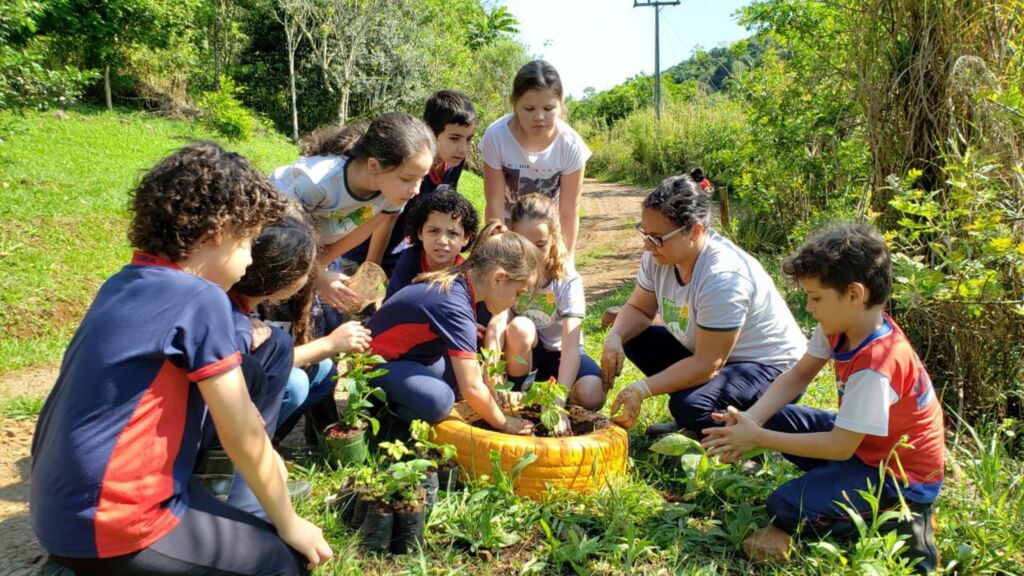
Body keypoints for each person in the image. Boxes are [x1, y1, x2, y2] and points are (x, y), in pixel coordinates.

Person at [30, 142, 331, 575]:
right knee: (284, 562)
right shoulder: (199, 298)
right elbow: (242, 431)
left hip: (57, 511)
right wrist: (290, 523)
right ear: (218, 232)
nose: (249, 262)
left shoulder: (124, 280)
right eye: (247, 243)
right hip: (114, 525)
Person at [700, 224, 944, 573]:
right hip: (864, 446)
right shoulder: (840, 326)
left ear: (854, 294)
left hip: (898, 476)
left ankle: (904, 519)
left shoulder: (876, 365)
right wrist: (751, 419)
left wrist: (757, 438)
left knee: (783, 505)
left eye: (815, 298)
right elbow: (799, 374)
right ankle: (836, 484)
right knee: (782, 418)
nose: (809, 307)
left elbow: (840, 447)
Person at [602, 171, 806, 437]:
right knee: (634, 338)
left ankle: (757, 433)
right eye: (645, 233)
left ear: (694, 231)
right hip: (717, 356)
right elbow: (640, 309)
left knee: (689, 404)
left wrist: (642, 388)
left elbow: (709, 364)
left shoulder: (723, 276)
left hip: (771, 369)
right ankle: (702, 420)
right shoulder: (658, 257)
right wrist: (614, 337)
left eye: (657, 238)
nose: (647, 245)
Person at [366, 221, 540, 433]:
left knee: (456, 379)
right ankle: (390, 425)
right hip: (371, 367)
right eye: (518, 293)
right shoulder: (454, 305)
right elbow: (473, 387)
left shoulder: (461, 285)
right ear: (498, 279)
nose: (515, 302)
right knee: (440, 400)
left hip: (402, 359)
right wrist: (503, 423)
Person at [270, 111, 436, 313]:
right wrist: (317, 276)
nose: (416, 190)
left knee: (327, 316)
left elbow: (358, 233)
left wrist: (319, 269)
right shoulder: (317, 182)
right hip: (271, 240)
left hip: (311, 250)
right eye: (407, 178)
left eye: (421, 178)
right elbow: (281, 237)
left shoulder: (391, 193)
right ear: (374, 166)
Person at [229, 212, 372, 443]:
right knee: (296, 383)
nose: (316, 273)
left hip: (245, 397)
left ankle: (269, 442)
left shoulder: (289, 299)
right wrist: (330, 344)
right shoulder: (234, 315)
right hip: (229, 411)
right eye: (311, 268)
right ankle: (249, 450)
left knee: (323, 369)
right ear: (286, 274)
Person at [495, 194, 604, 434]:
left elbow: (571, 346)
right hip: (525, 354)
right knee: (520, 326)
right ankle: (518, 397)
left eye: (541, 245)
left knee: (592, 394)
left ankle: (560, 399)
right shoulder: (506, 273)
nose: (532, 253)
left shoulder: (567, 279)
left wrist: (557, 401)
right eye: (524, 244)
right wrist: (493, 377)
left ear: (554, 238)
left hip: (562, 354)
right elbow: (497, 324)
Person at [347, 90, 479, 272]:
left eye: (469, 139)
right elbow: (386, 218)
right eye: (454, 138)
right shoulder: (410, 164)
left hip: (401, 249)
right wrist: (371, 269)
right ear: (431, 133)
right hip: (363, 248)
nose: (463, 149)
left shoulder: (454, 163)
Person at [479, 60, 590, 255]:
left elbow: (568, 212)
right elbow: (494, 204)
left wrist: (564, 257)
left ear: (561, 103)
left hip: (547, 232)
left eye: (548, 109)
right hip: (508, 226)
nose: (539, 117)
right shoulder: (496, 137)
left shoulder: (571, 145)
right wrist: (498, 251)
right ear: (514, 103)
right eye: (529, 109)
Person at [385, 184, 479, 301]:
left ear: (466, 238)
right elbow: (391, 303)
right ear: (420, 232)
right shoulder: (410, 259)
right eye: (434, 231)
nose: (442, 241)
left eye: (453, 233)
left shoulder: (468, 276)